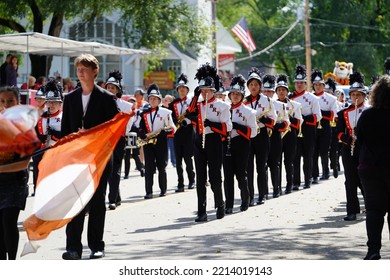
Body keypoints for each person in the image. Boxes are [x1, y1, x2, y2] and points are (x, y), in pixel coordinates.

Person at [60, 54, 119, 260]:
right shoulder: (70, 99)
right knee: (75, 202)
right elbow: (65, 131)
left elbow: (113, 131)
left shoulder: (107, 98)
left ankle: (96, 245)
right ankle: (73, 247)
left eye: (85, 68)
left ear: (95, 71)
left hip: (100, 158)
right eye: (78, 69)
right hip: (77, 160)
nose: (81, 72)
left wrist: (93, 136)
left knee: (96, 202)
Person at [187, 63, 232, 222]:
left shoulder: (222, 105)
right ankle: (202, 212)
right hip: (199, 141)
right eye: (202, 91)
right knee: (200, 178)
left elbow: (228, 127)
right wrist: (194, 96)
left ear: (213, 90)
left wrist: (212, 124)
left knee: (214, 177)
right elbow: (188, 113)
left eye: (207, 90)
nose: (204, 93)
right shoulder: (197, 105)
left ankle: (220, 205)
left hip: (214, 141)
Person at [356, 74, 390, 260]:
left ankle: (373, 250)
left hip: (370, 167)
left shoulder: (367, 115)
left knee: (374, 210)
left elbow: (360, 138)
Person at [0, 86, 29, 259]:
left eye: (10, 101)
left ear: (18, 103)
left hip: (15, 182)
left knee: (8, 222)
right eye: (2, 101)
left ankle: (12, 262)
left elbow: (24, 162)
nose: (6, 105)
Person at [336, 71, 369, 221]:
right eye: (353, 95)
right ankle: (352, 211)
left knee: (364, 179)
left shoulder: (369, 111)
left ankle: (369, 205)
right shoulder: (343, 113)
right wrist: (347, 139)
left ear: (364, 96)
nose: (356, 97)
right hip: (348, 149)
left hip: (365, 149)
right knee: (350, 179)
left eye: (359, 95)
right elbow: (337, 132)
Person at [223, 74, 257, 214]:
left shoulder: (248, 111)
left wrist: (237, 126)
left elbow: (253, 132)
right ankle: (229, 204)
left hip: (241, 143)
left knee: (241, 174)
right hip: (226, 144)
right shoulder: (224, 108)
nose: (235, 96)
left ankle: (245, 199)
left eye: (238, 94)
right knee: (227, 176)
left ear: (242, 96)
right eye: (233, 94)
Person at [244, 67, 277, 205]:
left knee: (261, 166)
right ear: (248, 86)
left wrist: (264, 120)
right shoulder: (244, 101)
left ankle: (262, 194)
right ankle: (250, 195)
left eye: (256, 85)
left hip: (262, 134)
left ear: (260, 86)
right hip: (247, 135)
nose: (253, 87)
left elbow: (273, 120)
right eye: (251, 85)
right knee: (248, 167)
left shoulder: (266, 101)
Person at [138, 84, 176, 199]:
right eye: (151, 98)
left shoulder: (166, 112)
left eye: (155, 98)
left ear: (159, 100)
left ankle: (163, 189)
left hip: (161, 142)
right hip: (148, 143)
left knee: (161, 167)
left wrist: (162, 133)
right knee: (149, 168)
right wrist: (141, 133)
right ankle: (148, 192)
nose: (153, 100)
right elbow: (140, 127)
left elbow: (172, 128)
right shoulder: (144, 113)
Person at [289, 64, 322, 190]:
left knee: (308, 156)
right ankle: (295, 181)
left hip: (308, 129)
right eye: (297, 83)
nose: (299, 85)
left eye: (301, 83)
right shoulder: (289, 98)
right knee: (295, 157)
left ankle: (308, 179)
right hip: (294, 129)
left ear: (305, 83)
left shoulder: (312, 98)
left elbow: (318, 116)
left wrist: (304, 118)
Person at [105, 70, 133, 210]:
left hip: (119, 139)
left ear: (118, 90)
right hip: (105, 140)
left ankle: (112, 200)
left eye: (113, 88)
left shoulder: (125, 105)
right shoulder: (101, 103)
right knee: (107, 169)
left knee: (115, 168)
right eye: (108, 87)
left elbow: (130, 120)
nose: (110, 90)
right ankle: (117, 196)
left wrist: (124, 132)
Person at [32, 79, 63, 196]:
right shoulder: (42, 114)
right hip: (41, 149)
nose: (51, 105)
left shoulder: (63, 117)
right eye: (49, 102)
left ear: (60, 103)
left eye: (55, 102)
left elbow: (66, 135)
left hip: (56, 151)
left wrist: (54, 133)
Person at [262, 74, 290, 198]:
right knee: (263, 164)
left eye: (270, 91)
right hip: (262, 135)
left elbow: (286, 122)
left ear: (274, 92)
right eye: (265, 91)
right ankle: (264, 190)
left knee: (275, 163)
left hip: (275, 136)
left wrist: (277, 126)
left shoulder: (280, 105)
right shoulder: (259, 104)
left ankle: (276, 188)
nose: (267, 93)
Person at [275, 74, 303, 194]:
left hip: (290, 134)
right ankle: (277, 186)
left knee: (289, 161)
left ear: (287, 91)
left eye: (283, 90)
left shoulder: (294, 105)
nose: (281, 92)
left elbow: (298, 122)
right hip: (277, 134)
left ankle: (289, 184)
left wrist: (288, 119)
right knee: (277, 161)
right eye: (279, 90)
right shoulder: (272, 104)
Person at [169, 74, 196, 192]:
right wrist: (175, 121)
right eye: (179, 88)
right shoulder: (173, 103)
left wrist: (188, 119)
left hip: (188, 132)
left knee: (188, 158)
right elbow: (169, 117)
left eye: (183, 88)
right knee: (178, 160)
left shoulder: (191, 102)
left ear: (187, 90)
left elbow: (195, 115)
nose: (181, 90)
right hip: (177, 133)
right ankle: (180, 183)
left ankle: (191, 180)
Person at [310, 69, 338, 183]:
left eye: (319, 85)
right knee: (314, 151)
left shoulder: (330, 98)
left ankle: (326, 171)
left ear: (323, 85)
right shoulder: (309, 97)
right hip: (313, 126)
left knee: (324, 151)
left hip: (326, 126)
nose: (317, 87)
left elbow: (333, 114)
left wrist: (320, 112)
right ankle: (314, 174)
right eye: (315, 85)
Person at [123, 95, 145, 178]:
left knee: (136, 154)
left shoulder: (139, 112)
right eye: (129, 102)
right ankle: (126, 173)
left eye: (133, 102)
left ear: (136, 103)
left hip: (135, 134)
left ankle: (141, 169)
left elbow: (139, 124)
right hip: (127, 134)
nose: (131, 103)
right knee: (127, 154)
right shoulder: (125, 112)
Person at [162, 94, 176, 167]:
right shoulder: (160, 109)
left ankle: (174, 161)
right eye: (164, 99)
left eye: (166, 100)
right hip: (163, 132)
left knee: (172, 147)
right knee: (164, 148)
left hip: (171, 132)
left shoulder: (172, 110)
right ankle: (164, 162)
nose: (164, 101)